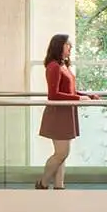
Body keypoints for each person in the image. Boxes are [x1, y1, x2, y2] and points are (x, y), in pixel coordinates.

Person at [37, 33, 94, 189]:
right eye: (67, 44)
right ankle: (42, 183)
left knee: (63, 154)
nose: (70, 47)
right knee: (61, 153)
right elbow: (53, 95)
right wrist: (79, 99)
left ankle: (59, 185)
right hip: (58, 114)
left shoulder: (64, 66)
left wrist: (86, 95)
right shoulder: (53, 66)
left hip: (66, 112)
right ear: (59, 46)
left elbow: (70, 91)